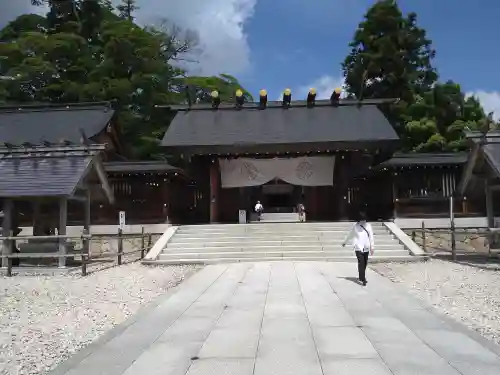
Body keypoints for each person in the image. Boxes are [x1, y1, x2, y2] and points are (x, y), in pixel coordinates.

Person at [341, 211, 374, 286]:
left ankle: (360, 276)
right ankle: (363, 278)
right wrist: (344, 242)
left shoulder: (368, 226)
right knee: (361, 262)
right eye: (361, 220)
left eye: (364, 219)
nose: (363, 221)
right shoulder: (355, 226)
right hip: (358, 247)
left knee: (365, 263)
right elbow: (350, 235)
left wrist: (372, 247)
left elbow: (371, 237)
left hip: (366, 247)